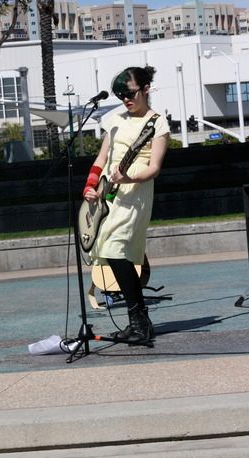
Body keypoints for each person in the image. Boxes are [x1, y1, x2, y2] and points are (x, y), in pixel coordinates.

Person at [82, 65, 170, 344]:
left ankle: (139, 321)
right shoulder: (114, 120)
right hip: (107, 195)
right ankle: (139, 321)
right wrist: (90, 186)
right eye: (121, 95)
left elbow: (154, 167)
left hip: (134, 195)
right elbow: (101, 158)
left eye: (130, 93)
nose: (126, 100)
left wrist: (129, 175)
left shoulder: (157, 123)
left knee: (115, 248)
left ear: (145, 89)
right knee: (109, 253)